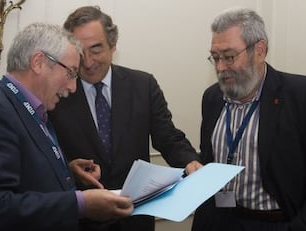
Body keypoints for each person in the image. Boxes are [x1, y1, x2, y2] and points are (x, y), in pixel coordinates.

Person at [0, 22, 133, 231]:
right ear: (38, 62)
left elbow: (25, 179)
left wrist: (66, 172)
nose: (73, 87)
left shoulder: (34, 110)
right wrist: (81, 204)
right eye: (71, 73)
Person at [48, 6, 202, 231]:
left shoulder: (143, 86)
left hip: (135, 219)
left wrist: (189, 161)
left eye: (96, 49)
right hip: (80, 221)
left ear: (113, 45)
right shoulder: (57, 93)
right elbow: (44, 154)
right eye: (80, 52)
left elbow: (168, 138)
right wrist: (68, 169)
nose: (88, 62)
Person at [191, 7, 306, 231]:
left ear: (260, 50)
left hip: (278, 223)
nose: (220, 67)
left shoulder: (304, 95)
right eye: (215, 57)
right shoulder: (213, 97)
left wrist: (301, 226)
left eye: (229, 57)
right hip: (220, 220)